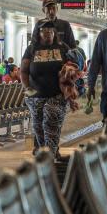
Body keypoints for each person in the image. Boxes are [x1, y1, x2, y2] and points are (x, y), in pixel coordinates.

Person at [21, 20, 72, 156]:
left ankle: (50, 153)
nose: (47, 34)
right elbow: (24, 71)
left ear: (54, 33)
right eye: (44, 31)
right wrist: (27, 88)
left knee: (51, 118)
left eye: (50, 31)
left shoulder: (62, 48)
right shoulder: (32, 49)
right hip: (36, 95)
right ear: (39, 33)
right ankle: (47, 152)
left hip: (57, 94)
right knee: (38, 126)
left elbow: (73, 65)